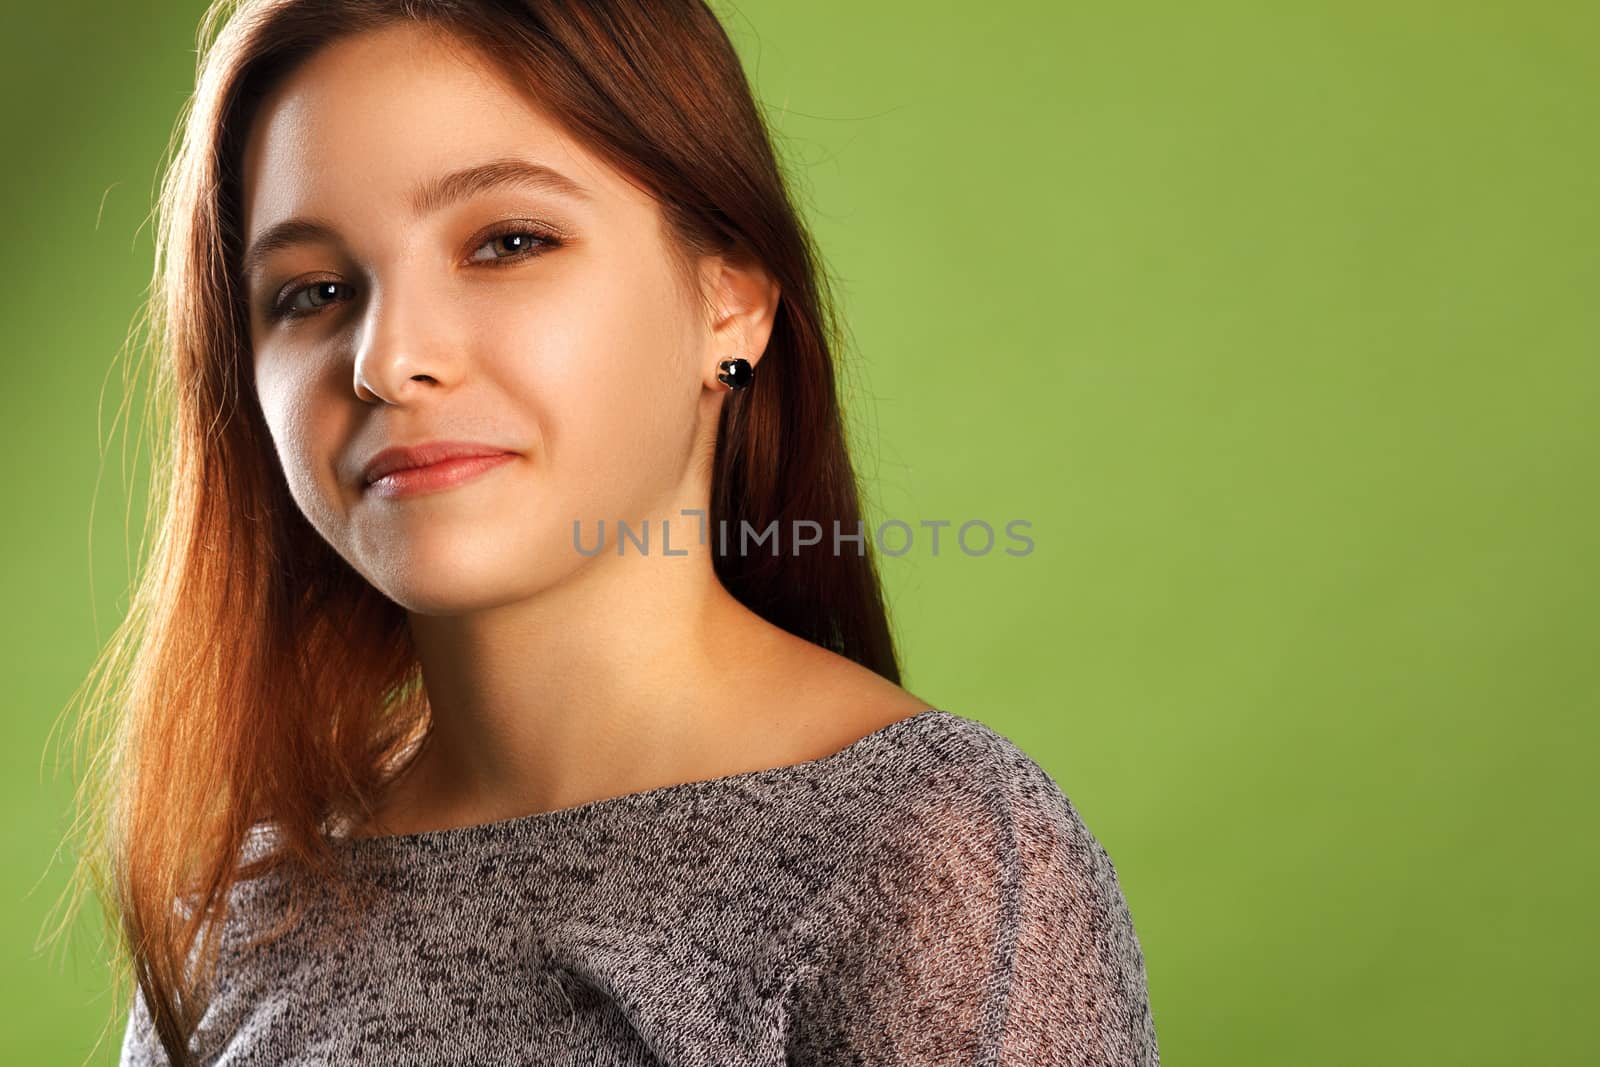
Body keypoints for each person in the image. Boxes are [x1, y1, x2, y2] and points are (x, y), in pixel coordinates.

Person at [64, 1, 1159, 1063]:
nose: (387, 359)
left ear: (730, 302)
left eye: (507, 240)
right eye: (311, 292)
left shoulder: (930, 854)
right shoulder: (248, 903)